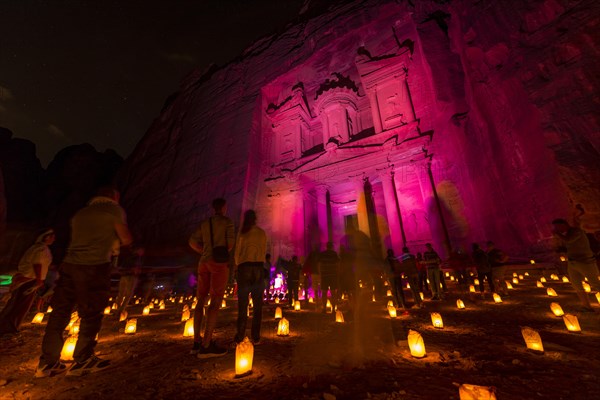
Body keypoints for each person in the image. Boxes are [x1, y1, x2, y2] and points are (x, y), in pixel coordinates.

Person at [35, 187, 132, 378]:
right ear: (114, 197)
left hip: (69, 265)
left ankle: (47, 363)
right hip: (94, 266)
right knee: (91, 313)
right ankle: (83, 359)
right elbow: (125, 237)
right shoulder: (113, 209)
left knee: (60, 312)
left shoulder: (81, 213)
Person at [188, 198, 235, 357]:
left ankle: (196, 342)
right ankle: (207, 345)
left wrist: (204, 251)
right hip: (218, 264)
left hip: (203, 263)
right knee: (215, 301)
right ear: (224, 207)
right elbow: (230, 245)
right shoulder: (227, 222)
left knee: (200, 300)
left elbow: (192, 241)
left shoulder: (205, 223)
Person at [0, 229, 55, 334]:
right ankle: (7, 327)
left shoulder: (39, 248)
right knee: (20, 304)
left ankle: (9, 326)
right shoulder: (40, 249)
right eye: (52, 236)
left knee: (20, 304)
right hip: (28, 280)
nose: (54, 239)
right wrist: (39, 280)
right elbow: (37, 264)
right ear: (46, 237)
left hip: (29, 279)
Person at [234, 210, 267, 344]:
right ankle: (256, 336)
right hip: (258, 268)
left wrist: (238, 265)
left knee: (243, 304)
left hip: (244, 268)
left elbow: (237, 253)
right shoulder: (261, 233)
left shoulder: (242, 233)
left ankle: (240, 335)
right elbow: (264, 251)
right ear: (255, 219)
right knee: (258, 304)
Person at [552, 218, 600, 310]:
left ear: (564, 225)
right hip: (573, 262)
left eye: (557, 227)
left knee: (595, 283)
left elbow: (569, 240)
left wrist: (557, 234)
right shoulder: (566, 234)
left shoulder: (576, 232)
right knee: (576, 284)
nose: (557, 229)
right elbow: (569, 245)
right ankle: (586, 306)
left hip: (585, 262)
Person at [116, 246, 144, 315]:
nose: (142, 252)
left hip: (124, 276)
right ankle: (121, 309)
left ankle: (118, 309)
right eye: (141, 250)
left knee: (121, 294)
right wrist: (135, 270)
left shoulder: (128, 257)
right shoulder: (136, 258)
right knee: (128, 294)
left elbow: (121, 266)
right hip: (130, 277)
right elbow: (136, 268)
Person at [318, 242, 340, 312]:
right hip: (333, 275)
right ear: (332, 247)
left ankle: (324, 308)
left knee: (324, 293)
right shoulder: (334, 254)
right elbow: (338, 263)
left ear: (326, 246)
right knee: (333, 293)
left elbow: (319, 264)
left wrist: (320, 273)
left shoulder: (322, 254)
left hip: (324, 275)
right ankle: (333, 309)